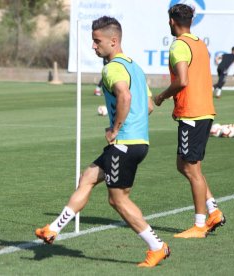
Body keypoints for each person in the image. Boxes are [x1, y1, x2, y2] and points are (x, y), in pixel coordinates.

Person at [35, 16, 170, 268]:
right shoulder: (136, 67)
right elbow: (149, 105)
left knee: (117, 200)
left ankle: (157, 246)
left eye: (97, 42)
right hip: (138, 142)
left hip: (124, 144)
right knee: (87, 177)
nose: (94, 46)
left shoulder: (113, 68)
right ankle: (52, 229)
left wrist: (116, 127)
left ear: (113, 41)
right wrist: (130, 123)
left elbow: (125, 96)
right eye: (93, 41)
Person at [154, 4, 225, 239]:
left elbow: (182, 80)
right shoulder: (199, 43)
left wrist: (162, 97)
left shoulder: (179, 46)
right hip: (203, 110)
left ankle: (199, 224)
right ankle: (213, 211)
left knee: (191, 169)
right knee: (184, 165)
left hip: (193, 114)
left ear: (171, 21)